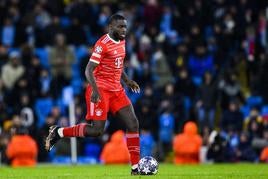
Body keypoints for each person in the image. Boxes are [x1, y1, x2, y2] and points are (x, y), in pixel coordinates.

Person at [45, 14, 141, 175]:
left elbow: (117, 64)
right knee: (96, 130)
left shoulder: (122, 41)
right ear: (110, 27)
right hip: (100, 88)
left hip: (116, 89)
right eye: (120, 26)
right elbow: (88, 70)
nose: (124, 30)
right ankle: (59, 132)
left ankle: (136, 168)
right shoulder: (102, 44)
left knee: (133, 124)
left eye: (125, 26)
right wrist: (95, 91)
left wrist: (127, 80)